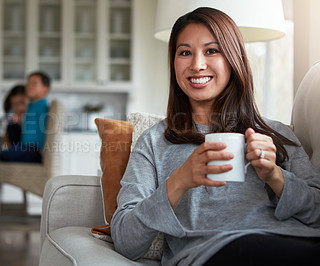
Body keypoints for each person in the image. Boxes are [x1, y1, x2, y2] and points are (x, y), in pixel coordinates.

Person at [111, 7, 320, 266]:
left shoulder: (275, 134)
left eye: (212, 50)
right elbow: (125, 240)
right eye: (185, 52)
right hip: (215, 251)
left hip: (297, 241)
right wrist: (179, 181)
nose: (197, 65)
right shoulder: (154, 143)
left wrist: (275, 176)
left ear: (233, 58)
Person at [0, 71, 50, 163]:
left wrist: (43, 150)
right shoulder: (31, 106)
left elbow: (43, 131)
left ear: (45, 89)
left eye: (34, 83)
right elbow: (12, 114)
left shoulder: (43, 107)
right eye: (28, 83)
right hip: (26, 147)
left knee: (4, 155)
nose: (29, 86)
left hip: (35, 150)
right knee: (7, 152)